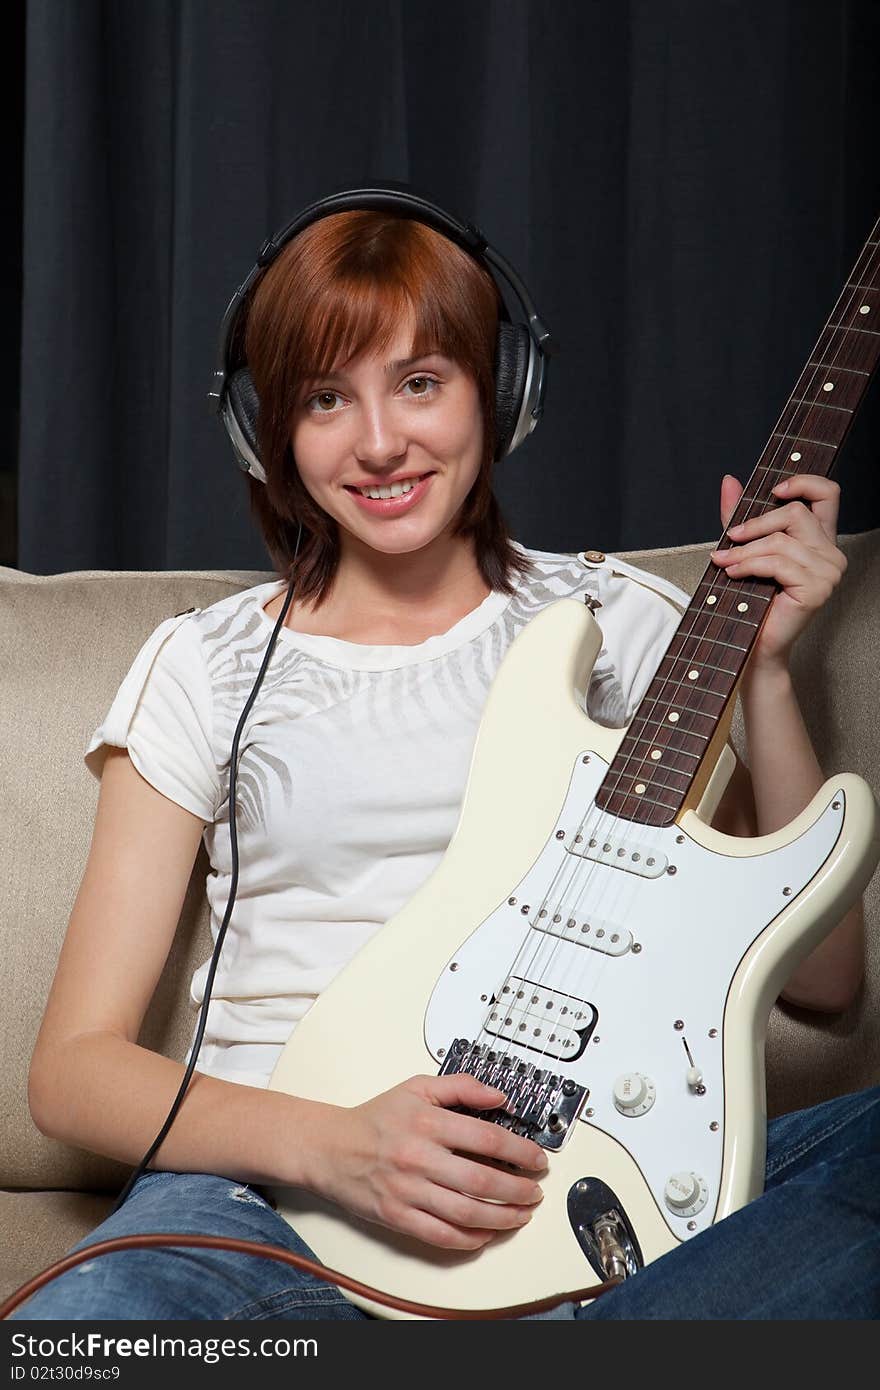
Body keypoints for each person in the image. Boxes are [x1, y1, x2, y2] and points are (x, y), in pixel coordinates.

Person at [11, 198, 878, 1322]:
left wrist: (763, 672)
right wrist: (343, 1146)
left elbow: (823, 985)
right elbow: (72, 1069)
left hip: (592, 1193)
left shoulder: (625, 625)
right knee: (89, 1339)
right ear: (263, 428)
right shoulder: (207, 662)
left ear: (500, 389)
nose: (378, 442)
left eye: (420, 382)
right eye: (326, 398)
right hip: (271, 1207)